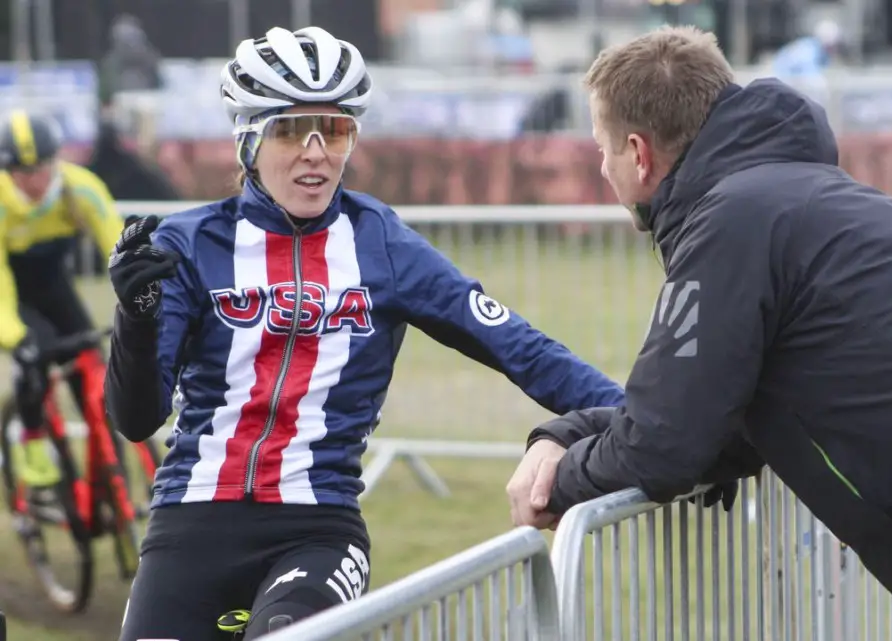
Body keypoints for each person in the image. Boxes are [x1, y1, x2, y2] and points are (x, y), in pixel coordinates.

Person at [506, 25, 892, 641]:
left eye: (603, 147)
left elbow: (666, 443)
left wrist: (556, 483)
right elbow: (710, 422)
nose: (601, 166)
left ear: (640, 154)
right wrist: (570, 432)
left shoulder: (732, 223)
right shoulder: (805, 194)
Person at [105, 25, 624, 641]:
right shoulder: (188, 245)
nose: (317, 152)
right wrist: (136, 320)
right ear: (248, 136)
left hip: (316, 529)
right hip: (189, 524)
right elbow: (136, 419)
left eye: (338, 128)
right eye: (292, 129)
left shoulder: (382, 242)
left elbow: (520, 348)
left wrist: (649, 420)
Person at [0, 110, 124, 503]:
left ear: (56, 161)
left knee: (95, 368)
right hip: (14, 299)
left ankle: (110, 462)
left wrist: (145, 299)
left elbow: (118, 248)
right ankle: (34, 448)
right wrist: (15, 337)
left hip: (57, 292)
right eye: (22, 173)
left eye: (41, 169)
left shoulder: (80, 188)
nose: (34, 181)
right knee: (34, 363)